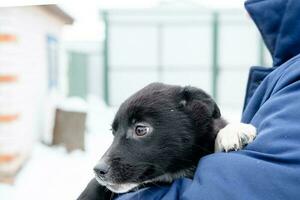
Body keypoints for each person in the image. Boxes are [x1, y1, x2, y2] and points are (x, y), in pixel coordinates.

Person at [79, 0, 300, 199]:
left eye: (140, 130)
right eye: (116, 133)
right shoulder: (284, 71)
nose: (103, 161)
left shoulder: (292, 78)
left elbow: (254, 181)